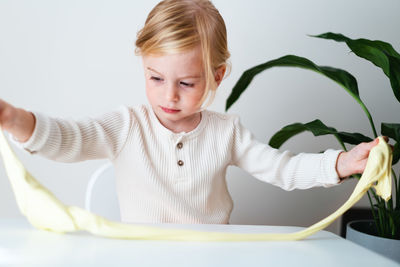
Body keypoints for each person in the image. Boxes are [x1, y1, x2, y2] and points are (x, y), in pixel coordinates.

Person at [0, 0, 382, 224]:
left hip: (211, 258)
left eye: (186, 83)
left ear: (216, 76)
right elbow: (72, 137)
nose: (169, 95)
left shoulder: (226, 132)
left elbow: (281, 168)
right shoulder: (127, 126)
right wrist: (18, 120)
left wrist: (340, 163)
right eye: (155, 77)